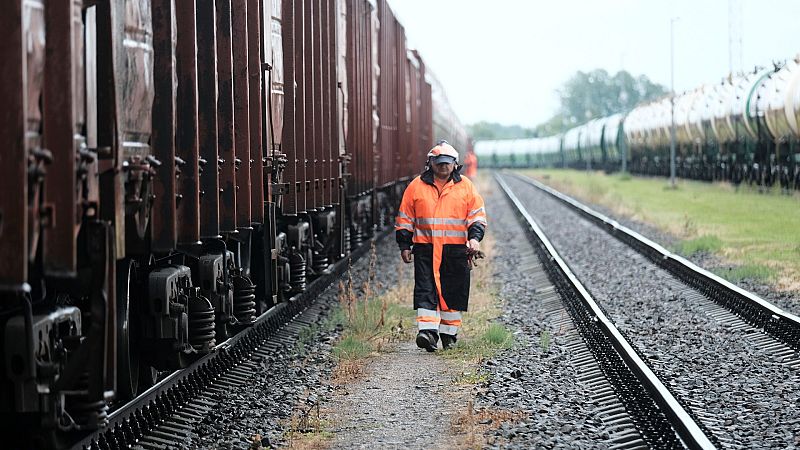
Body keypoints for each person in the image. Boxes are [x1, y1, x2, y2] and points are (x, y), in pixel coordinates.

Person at [394, 140, 488, 352]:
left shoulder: (466, 187)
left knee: (452, 292)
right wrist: (404, 244)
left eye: (447, 163)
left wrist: (474, 239)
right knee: (426, 289)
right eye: (439, 162)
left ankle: (449, 335)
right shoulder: (416, 186)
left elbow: (477, 217)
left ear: (455, 164)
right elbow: (405, 219)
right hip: (425, 249)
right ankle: (427, 333)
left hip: (455, 251)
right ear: (430, 163)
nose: (443, 166)